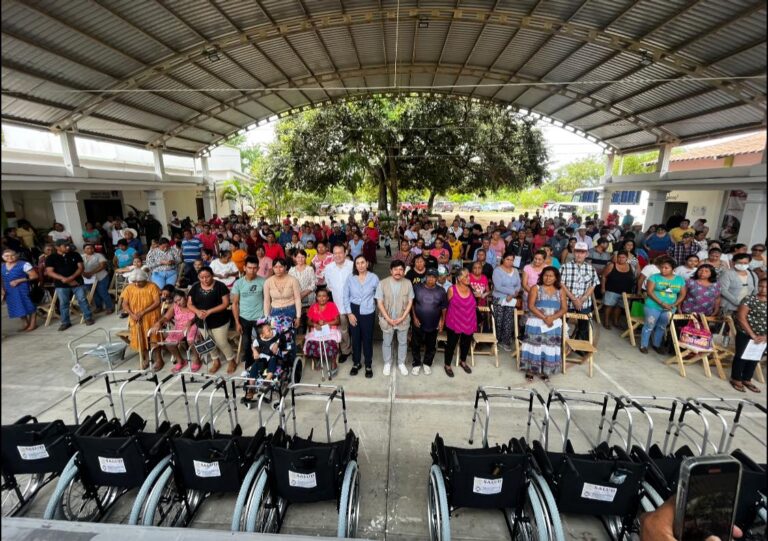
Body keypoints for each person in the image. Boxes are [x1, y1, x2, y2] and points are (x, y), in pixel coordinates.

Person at [520, 267, 567, 382]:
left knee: (548, 347)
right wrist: (545, 318)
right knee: (534, 346)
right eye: (546, 275)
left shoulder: (560, 290)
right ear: (541, 276)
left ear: (556, 277)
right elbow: (531, 306)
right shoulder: (535, 288)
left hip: (553, 324)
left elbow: (564, 308)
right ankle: (530, 370)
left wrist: (552, 318)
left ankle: (545, 371)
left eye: (551, 276)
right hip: (536, 322)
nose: (548, 278)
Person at [188, 267, 233, 374]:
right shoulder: (195, 287)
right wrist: (198, 312)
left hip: (219, 320)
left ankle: (231, 360)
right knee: (209, 342)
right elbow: (189, 304)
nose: (205, 279)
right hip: (202, 320)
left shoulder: (220, 286)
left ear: (212, 275)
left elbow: (225, 303)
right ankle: (216, 361)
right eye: (202, 277)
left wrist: (210, 311)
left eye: (207, 276)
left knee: (221, 342)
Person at [376, 260, 415, 377]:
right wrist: (388, 318)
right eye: (395, 269)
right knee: (387, 342)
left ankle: (401, 363)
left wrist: (402, 317)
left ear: (404, 271)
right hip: (387, 320)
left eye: (401, 269)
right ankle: (387, 363)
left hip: (402, 319)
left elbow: (410, 302)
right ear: (391, 270)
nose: (398, 272)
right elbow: (379, 302)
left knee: (403, 342)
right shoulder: (382, 283)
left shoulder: (408, 283)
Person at [640, 257, 687, 354]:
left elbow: (682, 294)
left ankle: (656, 345)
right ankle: (643, 345)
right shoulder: (654, 277)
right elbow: (649, 292)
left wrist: (674, 304)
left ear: (673, 269)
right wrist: (662, 303)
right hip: (653, 306)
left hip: (670, 308)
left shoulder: (679, 280)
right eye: (661, 267)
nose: (663, 270)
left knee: (662, 326)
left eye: (666, 268)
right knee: (649, 325)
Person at [45, 240, 95, 331]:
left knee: (82, 300)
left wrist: (71, 278)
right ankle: (65, 322)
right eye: (65, 246)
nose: (68, 247)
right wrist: (64, 279)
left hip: (77, 282)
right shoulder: (51, 258)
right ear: (57, 247)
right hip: (61, 284)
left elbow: (81, 268)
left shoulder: (75, 254)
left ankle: (88, 318)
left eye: (68, 245)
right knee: (64, 303)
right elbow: (50, 272)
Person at [344, 255, 379, 378]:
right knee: (356, 337)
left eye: (362, 262)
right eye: (357, 263)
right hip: (354, 310)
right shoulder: (351, 278)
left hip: (368, 311)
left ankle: (368, 364)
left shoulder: (374, 278)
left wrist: (374, 305)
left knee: (367, 338)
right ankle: (356, 363)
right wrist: (349, 313)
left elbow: (378, 294)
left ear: (367, 263)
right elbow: (345, 296)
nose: (360, 265)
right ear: (355, 265)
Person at [729, 277, 767, 393]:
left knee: (755, 357)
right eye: (761, 286)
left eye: (766, 287)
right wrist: (752, 335)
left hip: (763, 336)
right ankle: (736, 378)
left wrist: (765, 337)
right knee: (741, 356)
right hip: (746, 332)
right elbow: (741, 317)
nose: (763, 289)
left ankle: (747, 379)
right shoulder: (749, 299)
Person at [231, 256, 266, 378]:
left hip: (260, 318)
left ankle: (262, 368)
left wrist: (266, 317)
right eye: (249, 268)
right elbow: (235, 304)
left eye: (255, 268)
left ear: (258, 268)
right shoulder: (238, 283)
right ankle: (249, 369)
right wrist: (237, 322)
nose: (252, 270)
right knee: (246, 345)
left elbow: (267, 300)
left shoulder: (263, 281)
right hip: (244, 318)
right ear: (244, 267)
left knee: (261, 344)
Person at [150, 289, 200, 373]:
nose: (178, 303)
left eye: (180, 300)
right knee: (169, 342)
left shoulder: (192, 303)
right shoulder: (175, 306)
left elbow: (199, 315)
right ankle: (181, 361)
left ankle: (197, 360)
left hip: (193, 324)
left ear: (185, 296)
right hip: (179, 326)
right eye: (176, 301)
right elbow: (166, 317)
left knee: (190, 340)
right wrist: (159, 323)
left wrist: (190, 322)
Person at [121, 268, 162, 369]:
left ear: (145, 279)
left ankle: (158, 359)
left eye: (139, 282)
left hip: (151, 316)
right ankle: (146, 359)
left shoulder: (152, 286)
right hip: (135, 318)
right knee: (140, 338)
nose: (137, 284)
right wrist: (132, 314)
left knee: (153, 337)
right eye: (134, 282)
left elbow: (157, 302)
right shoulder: (129, 288)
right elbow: (124, 304)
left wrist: (143, 312)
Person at [411, 268, 448, 376]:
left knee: (431, 345)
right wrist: (414, 317)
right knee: (416, 343)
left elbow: (444, 308)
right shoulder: (417, 287)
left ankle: (427, 363)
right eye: (429, 276)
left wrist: (442, 321)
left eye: (434, 277)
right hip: (418, 322)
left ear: (437, 278)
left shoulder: (441, 291)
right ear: (425, 276)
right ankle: (416, 364)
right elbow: (412, 303)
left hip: (434, 322)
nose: (431, 279)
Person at [561, 242, 601, 340]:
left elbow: (593, 285)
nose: (579, 255)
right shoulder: (565, 267)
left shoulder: (591, 269)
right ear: (574, 252)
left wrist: (582, 299)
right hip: (567, 302)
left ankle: (580, 347)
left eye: (582, 252)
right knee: (561, 324)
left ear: (586, 254)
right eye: (577, 252)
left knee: (585, 327)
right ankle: (561, 345)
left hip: (584, 303)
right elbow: (561, 284)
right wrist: (574, 299)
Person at [443, 268, 476, 377]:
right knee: (451, 345)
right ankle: (447, 365)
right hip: (454, 322)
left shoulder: (470, 289)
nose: (468, 278)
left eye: (468, 276)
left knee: (466, 344)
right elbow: (447, 305)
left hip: (469, 321)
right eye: (466, 276)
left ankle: (463, 361)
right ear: (458, 278)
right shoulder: (452, 289)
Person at [325, 244, 354, 363]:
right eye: (335, 253)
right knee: (343, 329)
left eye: (340, 252)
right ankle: (346, 351)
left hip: (353, 304)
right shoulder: (328, 268)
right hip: (339, 305)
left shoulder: (352, 266)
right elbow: (329, 286)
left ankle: (357, 349)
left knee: (356, 329)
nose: (337, 255)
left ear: (345, 252)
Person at [304, 288, 341, 376]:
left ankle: (333, 363)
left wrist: (326, 323)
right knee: (310, 342)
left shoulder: (332, 305)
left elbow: (337, 321)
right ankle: (316, 359)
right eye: (319, 296)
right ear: (316, 297)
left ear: (328, 297)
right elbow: (308, 322)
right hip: (317, 330)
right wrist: (314, 324)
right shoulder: (313, 307)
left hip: (331, 329)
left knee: (330, 342)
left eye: (324, 296)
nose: (322, 298)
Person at [1, 248, 38, 332]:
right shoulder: (2, 266)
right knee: (17, 306)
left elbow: (34, 276)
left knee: (29, 305)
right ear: (2, 257)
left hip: (23, 288)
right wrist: (2, 289)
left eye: (12, 255)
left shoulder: (24, 264)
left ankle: (33, 323)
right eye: (6, 256)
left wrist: (19, 280)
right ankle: (25, 323)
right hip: (9, 290)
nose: (10, 257)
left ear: (16, 255)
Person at [492, 253, 522, 352]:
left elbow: (518, 285)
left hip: (511, 299)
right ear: (503, 259)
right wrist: (512, 292)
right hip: (499, 298)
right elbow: (498, 286)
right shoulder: (497, 270)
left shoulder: (516, 271)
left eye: (511, 260)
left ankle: (506, 342)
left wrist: (512, 295)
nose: (509, 261)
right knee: (499, 320)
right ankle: (497, 340)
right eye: (507, 259)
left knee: (509, 320)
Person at [601, 250, 635, 330]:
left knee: (619, 307)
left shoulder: (631, 267)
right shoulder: (612, 265)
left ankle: (615, 322)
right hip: (612, 289)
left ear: (627, 258)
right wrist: (603, 287)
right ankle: (606, 322)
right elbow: (603, 276)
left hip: (625, 292)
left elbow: (634, 277)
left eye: (623, 257)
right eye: (619, 257)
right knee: (609, 306)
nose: (621, 259)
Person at [263, 258, 302, 325]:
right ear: (272, 268)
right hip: (275, 311)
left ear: (285, 267)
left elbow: (297, 299)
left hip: (290, 310)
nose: (278, 269)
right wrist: (267, 317)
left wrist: (298, 317)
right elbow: (267, 301)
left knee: (290, 333)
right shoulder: (268, 282)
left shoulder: (293, 280)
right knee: (276, 334)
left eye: (281, 267)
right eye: (275, 267)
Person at [81, 243, 114, 315]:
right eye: (87, 248)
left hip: (101, 277)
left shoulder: (98, 255)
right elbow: (78, 267)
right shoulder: (81, 256)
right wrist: (84, 273)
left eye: (91, 248)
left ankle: (110, 307)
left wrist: (90, 273)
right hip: (88, 279)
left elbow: (103, 266)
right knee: (94, 293)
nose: (90, 250)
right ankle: (99, 307)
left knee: (102, 291)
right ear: (84, 250)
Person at [289, 249, 317, 316]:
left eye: (302, 257)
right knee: (299, 318)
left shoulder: (310, 269)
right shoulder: (291, 270)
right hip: (296, 298)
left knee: (310, 318)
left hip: (309, 297)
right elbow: (290, 285)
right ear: (295, 258)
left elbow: (314, 284)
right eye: (298, 257)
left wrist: (303, 294)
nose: (300, 259)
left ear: (305, 257)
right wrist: (298, 295)